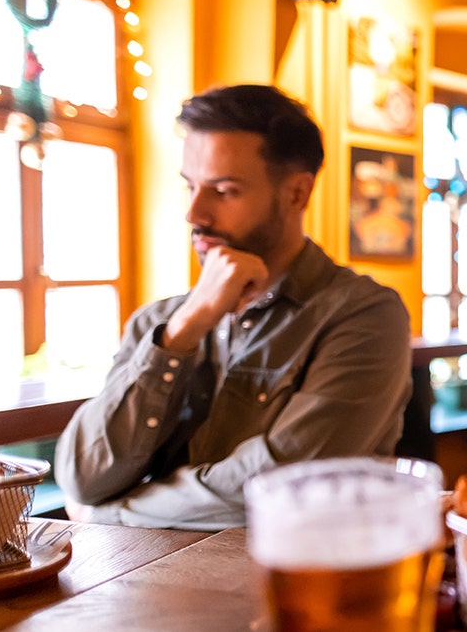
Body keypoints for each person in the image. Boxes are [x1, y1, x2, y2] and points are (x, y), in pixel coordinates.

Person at [54, 85, 413, 530]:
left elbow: (285, 485)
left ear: (297, 194)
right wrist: (185, 329)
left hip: (303, 586)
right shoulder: (158, 322)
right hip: (148, 587)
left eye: (223, 191)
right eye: (190, 186)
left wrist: (114, 513)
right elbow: (81, 477)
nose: (194, 213)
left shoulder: (365, 315)